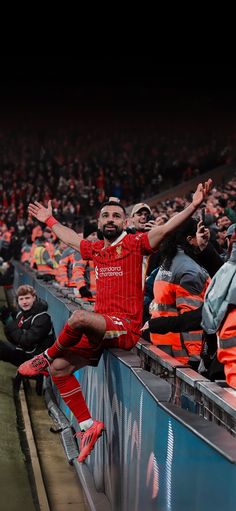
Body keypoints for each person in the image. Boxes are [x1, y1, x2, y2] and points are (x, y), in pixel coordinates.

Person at [18, 179, 212, 462]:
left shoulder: (137, 243)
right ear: (99, 221)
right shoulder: (97, 249)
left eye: (116, 216)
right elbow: (70, 237)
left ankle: (46, 356)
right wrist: (49, 219)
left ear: (126, 222)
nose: (110, 220)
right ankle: (87, 426)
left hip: (123, 328)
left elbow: (168, 227)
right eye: (106, 215)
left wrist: (194, 205)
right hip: (102, 326)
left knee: (79, 318)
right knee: (60, 371)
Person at [0, 285, 55, 374]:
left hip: (37, 359)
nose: (24, 302)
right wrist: (6, 323)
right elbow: (14, 340)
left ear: (34, 298)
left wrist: (10, 324)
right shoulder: (21, 315)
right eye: (21, 299)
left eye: (27, 298)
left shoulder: (43, 317)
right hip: (24, 352)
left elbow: (26, 341)